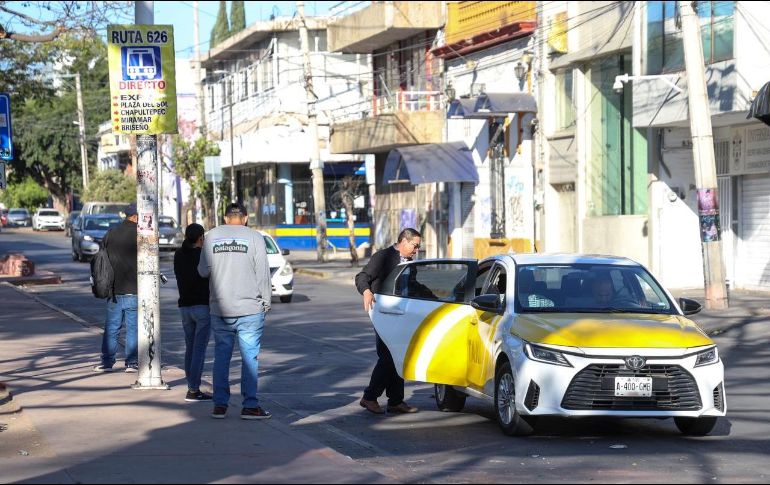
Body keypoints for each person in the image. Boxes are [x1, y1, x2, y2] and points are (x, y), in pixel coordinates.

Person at [198, 203, 272, 420]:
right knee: (250, 358)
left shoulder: (211, 236)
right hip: (250, 308)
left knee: (221, 356)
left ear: (225, 217)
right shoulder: (255, 237)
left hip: (220, 308)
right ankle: (250, 406)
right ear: (246, 218)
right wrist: (265, 303)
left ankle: (220, 405)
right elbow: (263, 274)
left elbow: (202, 271)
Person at [355, 228, 422, 415]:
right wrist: (366, 291)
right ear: (403, 241)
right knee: (388, 356)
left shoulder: (410, 262)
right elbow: (362, 276)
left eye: (418, 247)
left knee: (397, 354)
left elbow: (414, 286)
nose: (416, 250)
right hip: (383, 314)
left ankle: (395, 401)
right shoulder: (383, 257)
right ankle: (369, 397)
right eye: (415, 246)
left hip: (401, 314)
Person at [93, 203, 139, 373]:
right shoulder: (140, 234)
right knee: (132, 328)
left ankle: (107, 362)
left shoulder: (111, 233)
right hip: (134, 289)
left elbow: (101, 255)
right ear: (135, 217)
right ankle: (132, 363)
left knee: (112, 328)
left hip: (113, 289)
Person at [174, 223, 212, 402]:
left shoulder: (178, 254)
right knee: (199, 349)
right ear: (200, 238)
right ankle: (193, 389)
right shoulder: (203, 256)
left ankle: (191, 385)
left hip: (185, 307)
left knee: (190, 347)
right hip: (202, 306)